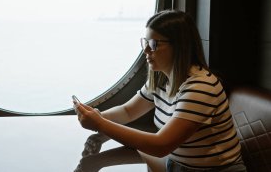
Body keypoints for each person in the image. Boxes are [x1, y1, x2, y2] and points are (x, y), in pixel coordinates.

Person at [74, 9, 247, 172]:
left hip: (212, 170)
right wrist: (96, 117)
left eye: (154, 44)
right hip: (175, 163)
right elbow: (127, 111)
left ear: (179, 46)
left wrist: (100, 124)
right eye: (145, 42)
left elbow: (160, 146)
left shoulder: (201, 87)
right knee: (94, 162)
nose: (146, 50)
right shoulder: (161, 79)